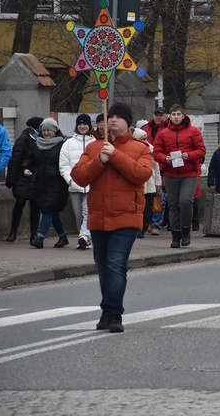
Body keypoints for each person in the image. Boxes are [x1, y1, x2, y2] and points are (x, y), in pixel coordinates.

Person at [71, 102, 153, 333]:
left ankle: (114, 314)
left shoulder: (140, 147)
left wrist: (115, 155)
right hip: (98, 217)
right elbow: (78, 177)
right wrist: (100, 160)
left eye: (119, 117)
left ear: (128, 122)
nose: (114, 120)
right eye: (111, 116)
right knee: (103, 268)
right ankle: (107, 311)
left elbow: (142, 174)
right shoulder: (95, 147)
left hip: (126, 217)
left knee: (116, 265)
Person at [153, 104, 206, 248]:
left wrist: (189, 155)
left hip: (189, 173)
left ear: (183, 115)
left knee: (185, 202)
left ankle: (186, 230)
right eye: (174, 114)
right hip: (171, 174)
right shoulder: (163, 133)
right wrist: (165, 158)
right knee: (173, 204)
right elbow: (156, 152)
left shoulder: (193, 131)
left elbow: (201, 150)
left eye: (178, 114)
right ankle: (175, 235)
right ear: (170, 117)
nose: (176, 117)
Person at [24, 118, 70, 249]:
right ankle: (63, 236)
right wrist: (25, 168)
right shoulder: (36, 144)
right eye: (43, 130)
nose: (46, 133)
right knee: (51, 211)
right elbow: (29, 159)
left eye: (49, 130)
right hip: (41, 182)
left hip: (58, 183)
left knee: (48, 209)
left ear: (55, 131)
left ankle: (40, 237)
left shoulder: (62, 145)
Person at [58, 113, 96, 249]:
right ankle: (84, 235)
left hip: (91, 186)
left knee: (88, 212)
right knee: (78, 215)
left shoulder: (94, 143)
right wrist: (71, 180)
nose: (82, 126)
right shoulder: (68, 143)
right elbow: (64, 165)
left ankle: (84, 237)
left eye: (85, 124)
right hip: (74, 185)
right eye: (80, 124)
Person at [5, 116, 42, 243]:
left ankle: (34, 233)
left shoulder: (42, 139)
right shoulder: (24, 138)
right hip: (22, 175)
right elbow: (15, 159)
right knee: (20, 202)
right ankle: (13, 232)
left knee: (35, 205)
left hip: (36, 176)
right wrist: (11, 179)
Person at [142, 107, 169, 235]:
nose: (158, 117)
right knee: (149, 197)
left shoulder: (168, 129)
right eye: (156, 115)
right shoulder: (145, 128)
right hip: (148, 165)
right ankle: (148, 222)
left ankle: (156, 224)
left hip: (163, 166)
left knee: (160, 197)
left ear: (165, 116)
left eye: (161, 115)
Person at [132, 127, 161, 238]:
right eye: (142, 139)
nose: (145, 141)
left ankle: (143, 227)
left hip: (149, 182)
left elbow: (156, 167)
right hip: (138, 182)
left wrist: (158, 183)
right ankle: (137, 227)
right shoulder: (133, 149)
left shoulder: (151, 148)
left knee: (147, 208)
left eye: (146, 138)